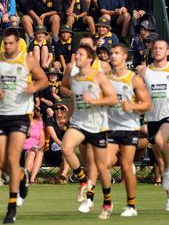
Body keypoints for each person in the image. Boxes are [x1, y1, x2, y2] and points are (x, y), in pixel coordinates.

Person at [0, 28, 48, 224]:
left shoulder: (27, 60)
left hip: (21, 115)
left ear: (18, 43)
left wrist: (34, 87)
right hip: (0, 115)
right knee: (2, 162)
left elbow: (43, 79)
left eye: (12, 43)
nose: (9, 46)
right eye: (6, 43)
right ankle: (21, 175)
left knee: (12, 158)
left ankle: (11, 208)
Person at [59, 44, 118, 219]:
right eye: (76, 54)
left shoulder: (99, 76)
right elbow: (74, 101)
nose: (76, 57)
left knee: (101, 167)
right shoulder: (75, 78)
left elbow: (113, 98)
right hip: (79, 123)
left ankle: (107, 202)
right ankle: (83, 180)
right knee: (66, 148)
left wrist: (94, 101)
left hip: (98, 126)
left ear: (90, 59)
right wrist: (67, 117)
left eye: (80, 55)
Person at [137, 40, 169, 211]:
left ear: (167, 52)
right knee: (158, 155)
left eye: (161, 48)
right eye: (155, 48)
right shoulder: (145, 72)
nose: (157, 50)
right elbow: (134, 89)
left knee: (159, 140)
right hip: (152, 118)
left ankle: (168, 169)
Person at [106, 44, 152, 217]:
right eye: (111, 53)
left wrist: (132, 106)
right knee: (105, 163)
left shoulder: (134, 79)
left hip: (129, 128)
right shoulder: (105, 78)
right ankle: (107, 201)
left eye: (117, 53)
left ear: (125, 56)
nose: (113, 56)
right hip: (110, 128)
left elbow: (147, 104)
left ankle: (131, 205)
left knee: (126, 166)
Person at [22, 108, 45, 184]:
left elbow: (42, 140)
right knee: (31, 153)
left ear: (33, 112)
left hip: (36, 149)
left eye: (31, 111)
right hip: (23, 150)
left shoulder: (39, 123)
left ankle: (32, 179)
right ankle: (26, 178)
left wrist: (38, 147)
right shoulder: (21, 124)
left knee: (40, 153)